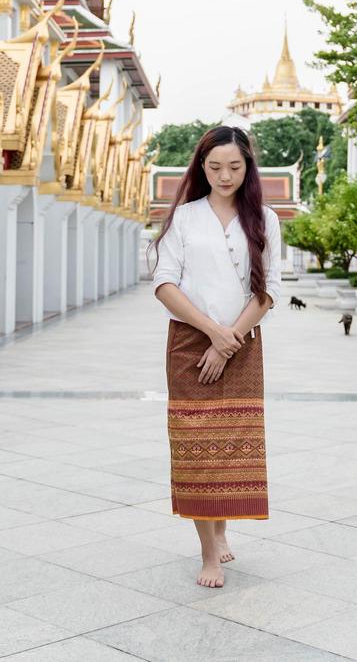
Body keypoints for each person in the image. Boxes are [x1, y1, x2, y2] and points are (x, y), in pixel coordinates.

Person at [148, 125, 280, 588]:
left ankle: (222, 529)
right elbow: (165, 283)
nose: (225, 175)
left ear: (248, 167)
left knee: (232, 447)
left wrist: (230, 341)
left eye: (235, 166)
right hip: (189, 344)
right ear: (201, 168)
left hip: (243, 345)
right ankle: (208, 552)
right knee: (196, 450)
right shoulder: (185, 218)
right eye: (215, 167)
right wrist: (212, 335)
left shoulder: (264, 218)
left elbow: (269, 292)